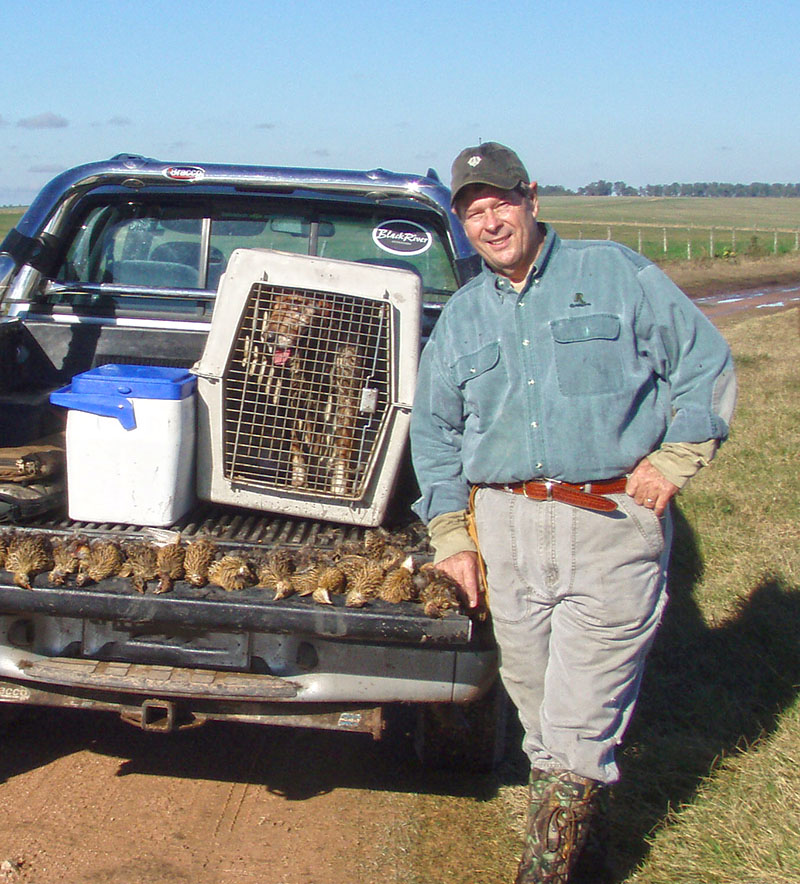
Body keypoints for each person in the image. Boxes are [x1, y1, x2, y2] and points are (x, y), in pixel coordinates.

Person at [410, 142, 736, 884]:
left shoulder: (614, 275)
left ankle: (542, 874)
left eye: (500, 203)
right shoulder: (462, 317)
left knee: (579, 725)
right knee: (545, 726)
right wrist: (453, 535)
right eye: (473, 212)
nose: (490, 222)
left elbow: (703, 365)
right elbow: (433, 434)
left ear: (531, 198)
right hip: (508, 531)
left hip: (610, 526)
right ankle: (591, 862)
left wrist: (676, 459)